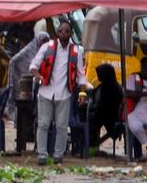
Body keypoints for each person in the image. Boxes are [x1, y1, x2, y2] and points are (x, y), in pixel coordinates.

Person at [30, 20, 89, 166]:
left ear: (70, 33)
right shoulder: (46, 47)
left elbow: (81, 75)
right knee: (43, 124)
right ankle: (42, 155)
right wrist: (37, 75)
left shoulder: (77, 51)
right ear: (57, 32)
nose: (64, 33)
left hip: (64, 93)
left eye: (67, 31)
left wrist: (82, 93)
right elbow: (33, 65)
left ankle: (58, 155)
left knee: (62, 126)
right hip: (45, 92)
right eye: (61, 31)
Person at [5, 32, 51, 123]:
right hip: (29, 85)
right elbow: (14, 61)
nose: (44, 44)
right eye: (42, 41)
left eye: (46, 41)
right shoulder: (30, 49)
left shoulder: (49, 51)